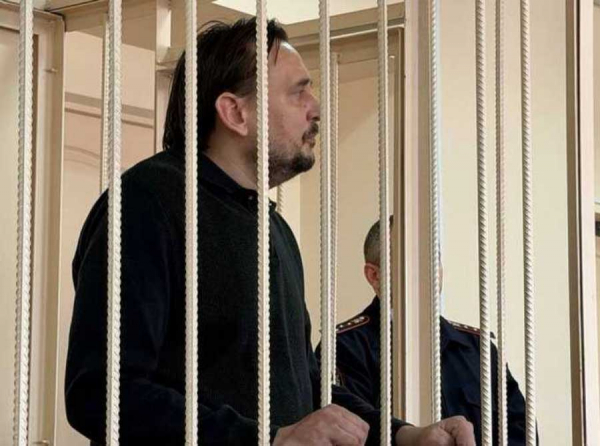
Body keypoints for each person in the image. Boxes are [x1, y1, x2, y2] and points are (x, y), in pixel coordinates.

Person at [65, 18, 475, 446]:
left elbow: (305, 386)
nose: (316, 108)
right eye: (298, 92)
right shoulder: (147, 203)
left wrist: (405, 436)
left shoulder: (272, 226)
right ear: (235, 113)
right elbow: (101, 394)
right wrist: (270, 439)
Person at [318, 219, 528, 445]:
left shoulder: (478, 348)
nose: (430, 271)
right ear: (375, 276)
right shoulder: (342, 348)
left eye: (434, 258)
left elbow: (522, 432)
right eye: (412, 259)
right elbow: (347, 434)